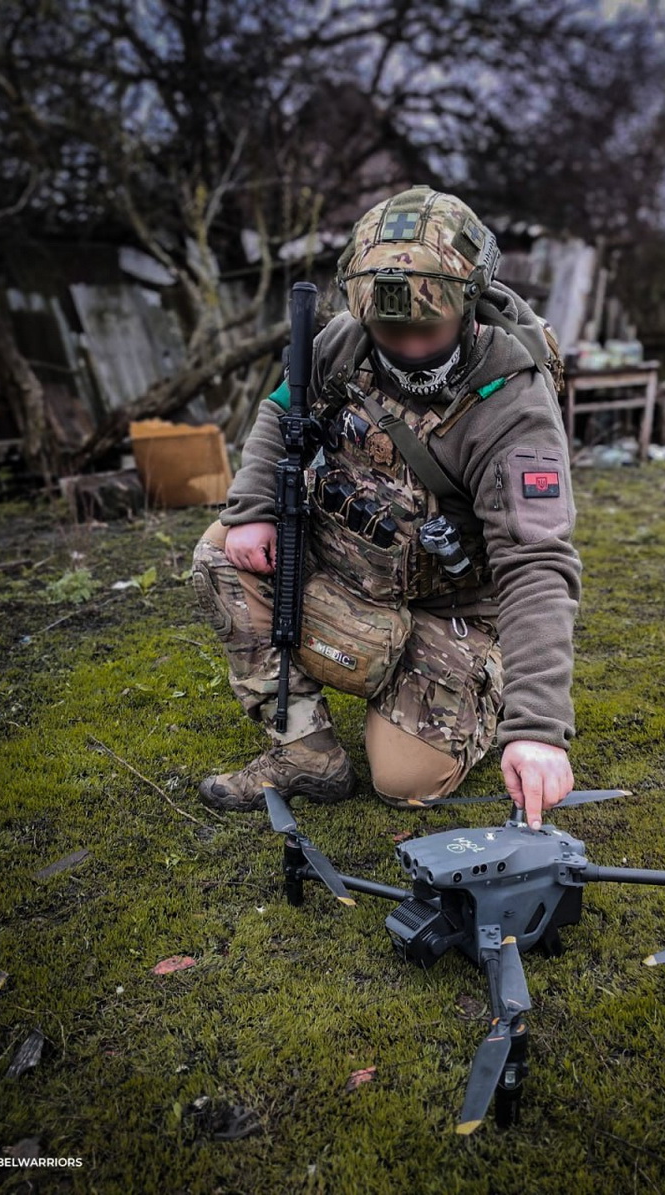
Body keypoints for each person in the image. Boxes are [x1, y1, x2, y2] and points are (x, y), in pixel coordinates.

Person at [192, 185, 581, 829]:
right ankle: (305, 752)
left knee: (405, 781)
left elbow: (537, 562)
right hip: (351, 567)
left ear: (470, 302)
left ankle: (483, 683)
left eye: (427, 328)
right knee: (222, 552)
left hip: (451, 610)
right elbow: (280, 408)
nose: (408, 346)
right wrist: (254, 505)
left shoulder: (514, 405)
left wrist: (537, 728)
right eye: (390, 329)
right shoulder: (345, 342)